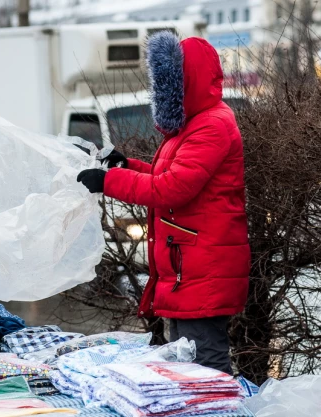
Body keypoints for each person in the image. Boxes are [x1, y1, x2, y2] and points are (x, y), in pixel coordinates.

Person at [77, 31, 250, 374]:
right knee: (188, 369)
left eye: (171, 81)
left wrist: (110, 181)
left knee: (207, 370)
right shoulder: (191, 126)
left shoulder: (212, 124)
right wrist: (127, 165)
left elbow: (172, 188)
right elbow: (167, 175)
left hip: (204, 271)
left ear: (187, 80)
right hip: (190, 271)